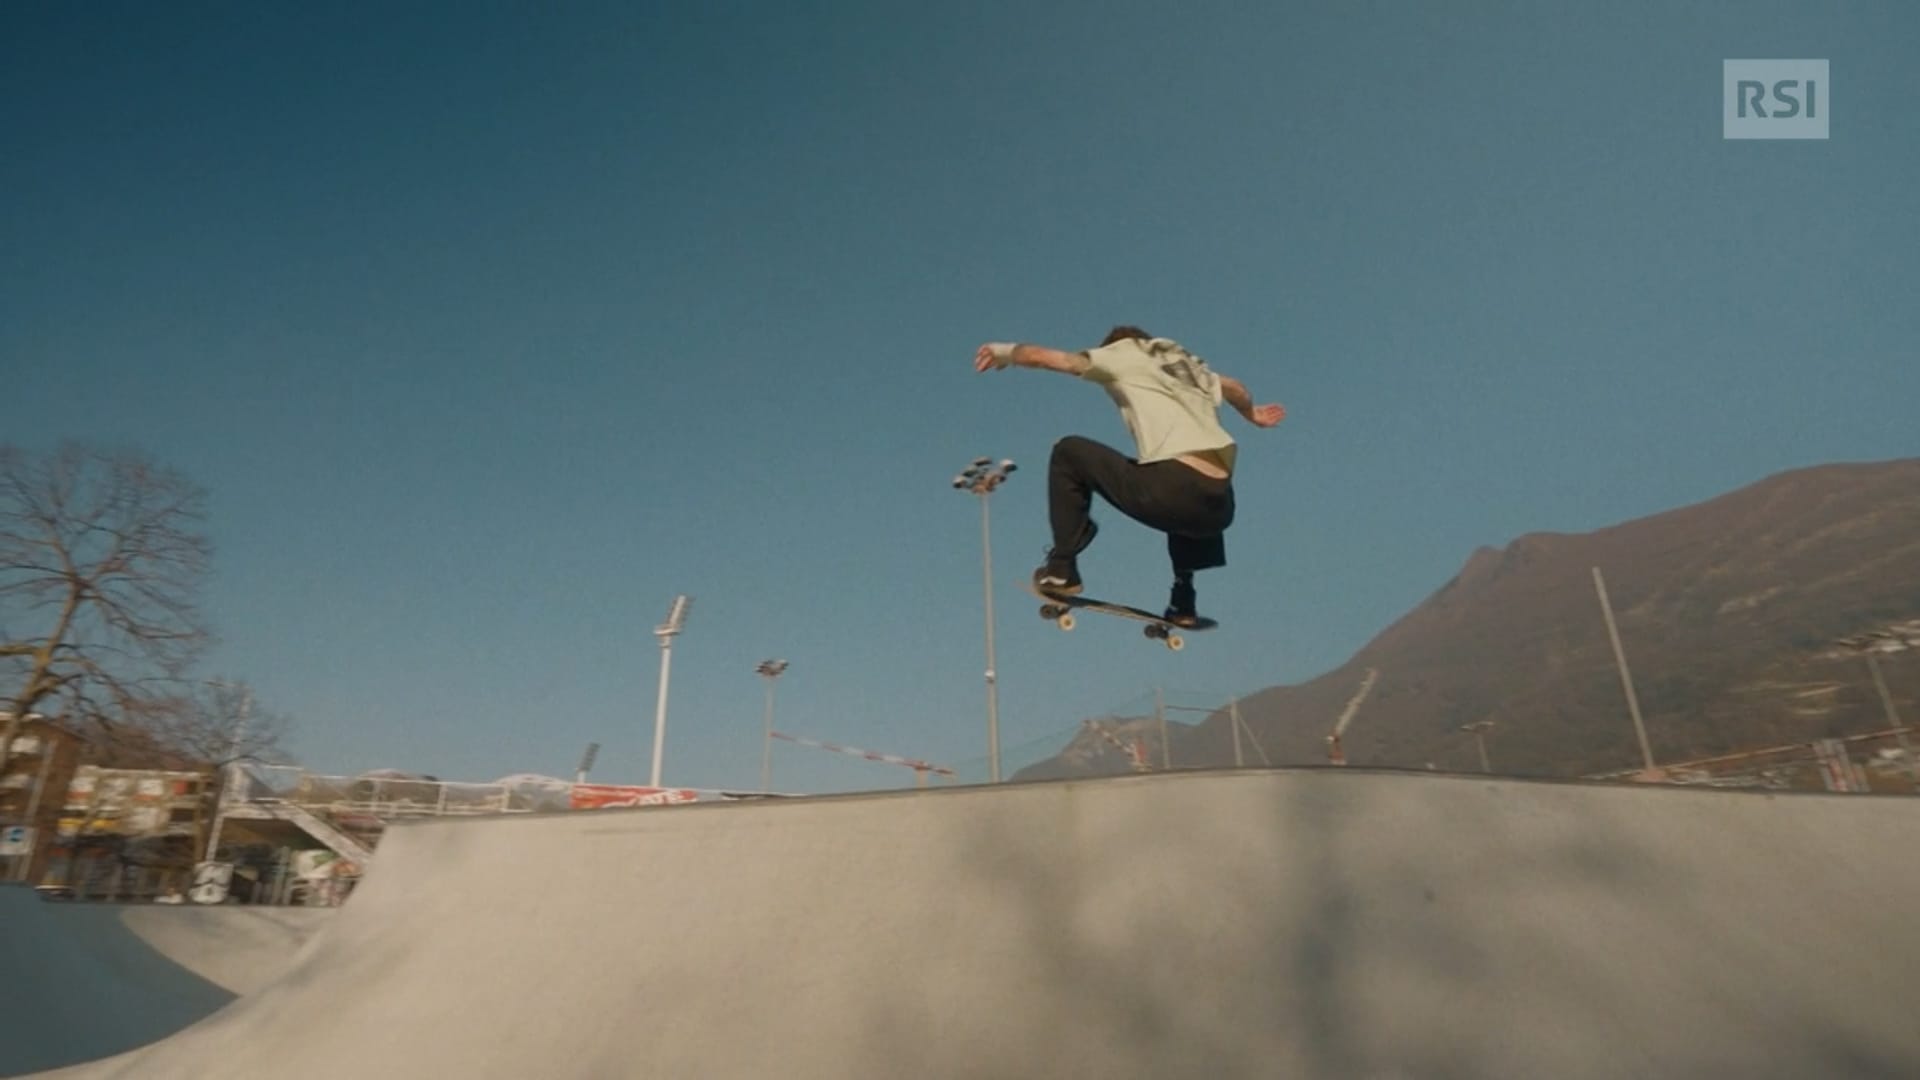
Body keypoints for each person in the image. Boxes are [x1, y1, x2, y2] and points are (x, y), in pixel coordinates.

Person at [972, 326, 1285, 625]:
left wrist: (1005, 352)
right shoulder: (1188, 366)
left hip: (1171, 491)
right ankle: (1184, 601)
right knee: (1182, 486)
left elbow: (1048, 358)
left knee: (1068, 451)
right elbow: (1236, 388)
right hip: (1219, 509)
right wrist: (1252, 414)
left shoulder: (1124, 354)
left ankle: (1062, 567)